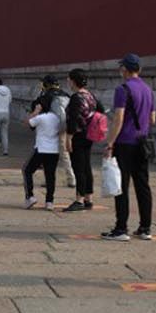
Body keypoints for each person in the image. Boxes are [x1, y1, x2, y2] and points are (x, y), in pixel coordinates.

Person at [103, 54, 156, 242]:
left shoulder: (122, 89)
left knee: (122, 186)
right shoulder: (148, 90)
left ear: (124, 69)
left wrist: (110, 142)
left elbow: (118, 118)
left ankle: (121, 228)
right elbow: (152, 119)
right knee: (143, 185)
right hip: (142, 143)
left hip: (125, 142)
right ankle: (145, 227)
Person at [62, 69, 100, 211]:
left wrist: (68, 138)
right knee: (86, 166)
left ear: (73, 81)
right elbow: (100, 110)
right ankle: (89, 198)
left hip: (78, 136)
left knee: (79, 168)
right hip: (89, 135)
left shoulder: (76, 98)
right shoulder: (91, 96)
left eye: (69, 79)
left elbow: (73, 120)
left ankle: (79, 200)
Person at [22, 96, 62, 210]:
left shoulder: (41, 118)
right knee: (50, 175)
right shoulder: (57, 118)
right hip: (54, 150)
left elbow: (27, 123)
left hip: (41, 149)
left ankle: (30, 196)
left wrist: (35, 111)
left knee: (27, 170)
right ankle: (49, 201)